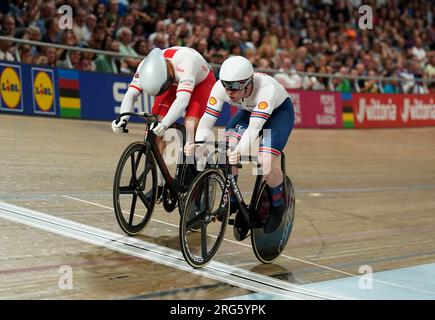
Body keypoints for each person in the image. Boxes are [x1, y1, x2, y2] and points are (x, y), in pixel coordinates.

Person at [185, 56, 294, 233]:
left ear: (249, 82)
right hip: (249, 111)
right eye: (227, 85)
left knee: (265, 160)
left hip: (279, 114)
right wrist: (197, 143)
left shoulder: (266, 90)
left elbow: (254, 128)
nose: (230, 91)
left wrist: (240, 151)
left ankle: (278, 207)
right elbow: (208, 119)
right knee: (224, 151)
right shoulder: (221, 87)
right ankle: (233, 200)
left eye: (235, 86)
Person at [112, 46, 216, 202]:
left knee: (191, 126)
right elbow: (131, 93)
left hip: (202, 83)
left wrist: (166, 124)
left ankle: (199, 169)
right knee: (156, 129)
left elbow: (182, 101)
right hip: (171, 81)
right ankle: (160, 186)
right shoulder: (146, 67)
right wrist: (123, 118)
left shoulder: (186, 63)